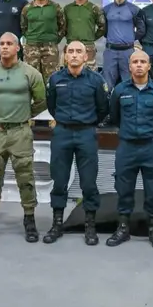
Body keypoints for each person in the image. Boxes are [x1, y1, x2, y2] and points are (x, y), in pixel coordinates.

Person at [0, 32, 47, 243]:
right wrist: (1, 115)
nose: (4, 47)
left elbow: (41, 101)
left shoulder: (31, 73)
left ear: (18, 47)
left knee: (26, 177)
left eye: (9, 44)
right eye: (1, 44)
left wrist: (23, 115)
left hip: (20, 132)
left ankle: (29, 220)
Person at [44, 41, 109, 245]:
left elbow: (102, 108)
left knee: (88, 182)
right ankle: (57, 224)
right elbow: (52, 106)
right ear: (65, 56)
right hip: (62, 133)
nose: (74, 55)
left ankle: (90, 226)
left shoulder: (96, 80)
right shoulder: (55, 79)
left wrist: (88, 123)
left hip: (86, 133)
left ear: (85, 56)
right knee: (59, 180)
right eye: (70, 51)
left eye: (78, 51)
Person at [106, 49, 153, 249]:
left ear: (149, 66)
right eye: (135, 62)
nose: (139, 65)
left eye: (143, 62)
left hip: (151, 146)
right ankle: (123, 228)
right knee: (123, 188)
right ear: (129, 66)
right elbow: (114, 117)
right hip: (127, 146)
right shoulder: (120, 90)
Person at [102, 0, 146, 90]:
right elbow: (104, 29)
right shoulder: (106, 9)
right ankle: (108, 101)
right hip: (110, 51)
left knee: (129, 83)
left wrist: (130, 38)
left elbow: (141, 29)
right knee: (107, 83)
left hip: (127, 52)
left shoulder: (134, 9)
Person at [20, 0, 66, 86]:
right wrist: (32, 39)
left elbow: (63, 26)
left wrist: (54, 40)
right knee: (31, 79)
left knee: (51, 79)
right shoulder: (27, 8)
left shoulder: (55, 7)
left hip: (50, 48)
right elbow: (23, 27)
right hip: (31, 48)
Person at [63, 0, 106, 70]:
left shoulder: (94, 8)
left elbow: (103, 27)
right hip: (71, 46)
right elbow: (62, 27)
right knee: (69, 73)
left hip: (88, 47)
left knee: (89, 73)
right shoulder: (67, 9)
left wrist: (92, 37)